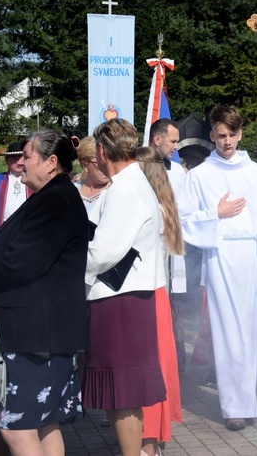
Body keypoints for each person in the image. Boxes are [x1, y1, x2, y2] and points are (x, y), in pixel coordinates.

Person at [0, 130, 88, 455]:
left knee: (16, 428)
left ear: (51, 163)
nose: (19, 163)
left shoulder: (56, 201)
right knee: (44, 424)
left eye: (27, 155)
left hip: (39, 339)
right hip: (42, 335)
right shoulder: (53, 197)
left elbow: (18, 264)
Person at [177, 105, 257, 431]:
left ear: (240, 134)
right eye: (220, 135)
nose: (226, 141)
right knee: (228, 329)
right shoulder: (201, 175)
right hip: (220, 253)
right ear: (212, 135)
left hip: (250, 253)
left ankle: (247, 399)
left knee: (248, 328)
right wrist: (215, 213)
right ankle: (234, 406)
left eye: (232, 135)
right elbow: (184, 220)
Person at [84, 119, 167, 456]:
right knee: (120, 392)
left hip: (119, 299)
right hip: (124, 296)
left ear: (102, 151)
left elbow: (102, 253)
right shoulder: (131, 183)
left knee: (123, 391)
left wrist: (66, 270)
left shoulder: (126, 188)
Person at [135, 147, 184, 456]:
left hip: (146, 293)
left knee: (148, 369)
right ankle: (154, 435)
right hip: (158, 294)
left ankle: (148, 438)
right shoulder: (164, 205)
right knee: (159, 367)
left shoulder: (147, 208)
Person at [148, 118, 187, 371]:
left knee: (172, 301)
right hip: (151, 247)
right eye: (173, 141)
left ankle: (175, 357)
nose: (176, 146)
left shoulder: (179, 173)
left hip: (172, 244)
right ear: (157, 139)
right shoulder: (141, 167)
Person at [0, 142, 33, 229]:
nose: (20, 163)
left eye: (22, 159)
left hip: (27, 230)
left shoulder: (34, 180)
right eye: (15, 159)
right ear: (7, 160)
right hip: (2, 230)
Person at [75, 136, 110, 213]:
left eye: (108, 161)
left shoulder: (115, 190)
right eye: (99, 163)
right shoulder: (72, 190)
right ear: (84, 165)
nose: (106, 167)